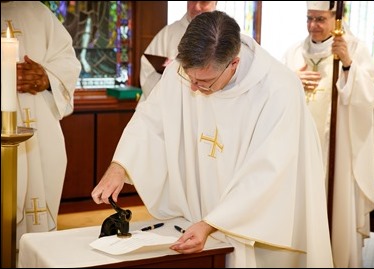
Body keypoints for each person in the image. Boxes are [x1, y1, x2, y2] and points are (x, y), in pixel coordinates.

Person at [92, 11, 333, 267]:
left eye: (204, 82)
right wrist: (120, 166)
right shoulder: (184, 72)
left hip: (254, 230)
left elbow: (268, 174)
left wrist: (211, 223)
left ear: (234, 63)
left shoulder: (278, 89)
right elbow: (151, 120)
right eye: (189, 77)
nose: (194, 88)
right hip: (192, 216)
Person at [283, 1, 374, 267]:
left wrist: (349, 65)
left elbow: (372, 94)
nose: (313, 26)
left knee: (335, 214)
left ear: (335, 19)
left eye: (320, 19)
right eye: (309, 18)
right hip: (300, 150)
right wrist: (292, 80)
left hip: (337, 151)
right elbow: (274, 93)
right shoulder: (293, 53)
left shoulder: (354, 49)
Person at [1, 1, 81, 247]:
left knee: (38, 214)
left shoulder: (39, 12)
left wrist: (47, 77)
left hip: (41, 133)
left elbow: (68, 62)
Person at [139, 1, 217, 101]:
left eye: (203, 2)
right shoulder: (168, 33)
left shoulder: (226, 36)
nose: (197, 7)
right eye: (192, 1)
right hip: (171, 106)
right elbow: (148, 70)